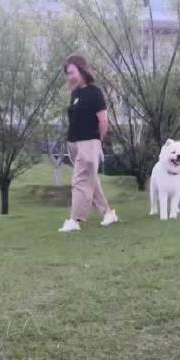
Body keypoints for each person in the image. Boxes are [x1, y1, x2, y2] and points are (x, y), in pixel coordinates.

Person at [58, 55, 118, 233]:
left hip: (89, 143)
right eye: (67, 74)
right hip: (74, 144)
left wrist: (96, 142)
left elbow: (104, 121)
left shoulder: (95, 93)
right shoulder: (75, 93)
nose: (69, 77)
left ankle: (74, 220)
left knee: (79, 181)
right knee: (90, 180)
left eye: (71, 72)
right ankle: (108, 213)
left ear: (81, 70)